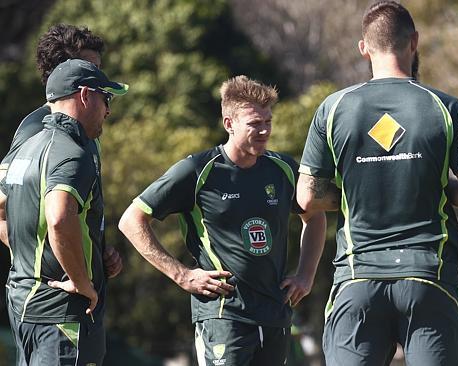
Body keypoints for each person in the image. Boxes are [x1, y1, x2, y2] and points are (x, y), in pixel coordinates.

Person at [296, 2, 458, 365]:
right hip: (428, 277)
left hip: (357, 277)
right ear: (413, 42)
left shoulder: (334, 107)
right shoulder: (447, 108)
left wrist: (359, 188)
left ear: (363, 47)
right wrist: (429, 183)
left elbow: (306, 198)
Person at [119, 75, 326, 366]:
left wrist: (306, 274)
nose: (265, 130)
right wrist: (182, 275)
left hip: (275, 315)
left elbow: (314, 215)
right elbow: (131, 221)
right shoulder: (197, 171)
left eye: (268, 121)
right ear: (229, 124)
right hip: (223, 316)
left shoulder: (283, 169)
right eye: (255, 123)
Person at [0, 59, 128, 365]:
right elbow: (59, 218)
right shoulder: (73, 151)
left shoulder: (27, 148)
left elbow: (4, 212)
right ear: (85, 95)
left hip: (25, 310)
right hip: (64, 315)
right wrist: (80, 281)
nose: (108, 110)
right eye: (105, 98)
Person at [0, 23, 122, 278]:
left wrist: (97, 251)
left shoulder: (84, 129)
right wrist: (57, 263)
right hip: (55, 298)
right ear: (64, 73)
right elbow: (2, 208)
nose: (99, 76)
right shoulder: (36, 129)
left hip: (84, 294)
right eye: (92, 68)